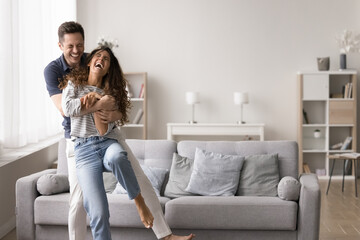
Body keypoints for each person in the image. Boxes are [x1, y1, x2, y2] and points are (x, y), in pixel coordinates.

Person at [44, 21, 194, 240]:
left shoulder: (93, 59)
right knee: (79, 202)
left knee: (139, 178)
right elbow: (65, 109)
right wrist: (98, 103)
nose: (76, 51)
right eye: (70, 47)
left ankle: (165, 235)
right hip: (77, 140)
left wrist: (113, 111)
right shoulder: (56, 71)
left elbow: (117, 108)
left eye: (80, 45)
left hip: (108, 137)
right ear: (60, 46)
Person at [61, 46, 154, 239]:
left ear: (107, 69)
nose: (101, 59)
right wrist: (97, 102)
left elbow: (103, 130)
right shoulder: (73, 85)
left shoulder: (110, 94)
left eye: (106, 59)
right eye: (98, 56)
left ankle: (139, 202)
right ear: (89, 62)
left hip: (107, 143)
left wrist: (97, 101)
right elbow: (68, 108)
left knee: (118, 156)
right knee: (98, 212)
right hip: (83, 150)